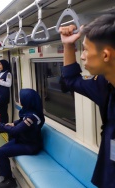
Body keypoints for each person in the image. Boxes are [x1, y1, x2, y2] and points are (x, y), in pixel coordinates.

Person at [59, 14, 115, 187]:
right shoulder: (105, 86)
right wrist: (68, 45)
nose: (82, 56)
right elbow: (71, 81)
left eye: (84, 49)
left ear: (105, 55)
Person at [0, 88, 44, 188]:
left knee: (2, 153)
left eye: (21, 98)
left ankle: (9, 181)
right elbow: (21, 120)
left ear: (26, 100)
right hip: (23, 140)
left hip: (30, 145)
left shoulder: (32, 117)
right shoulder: (29, 111)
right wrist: (13, 123)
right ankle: (3, 170)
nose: (19, 100)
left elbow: (14, 131)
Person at [0, 59, 12, 133]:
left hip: (4, 95)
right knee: (0, 111)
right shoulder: (0, 73)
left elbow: (8, 84)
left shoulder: (8, 74)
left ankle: (4, 128)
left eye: (0, 64)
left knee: (4, 112)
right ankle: (1, 126)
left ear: (4, 65)